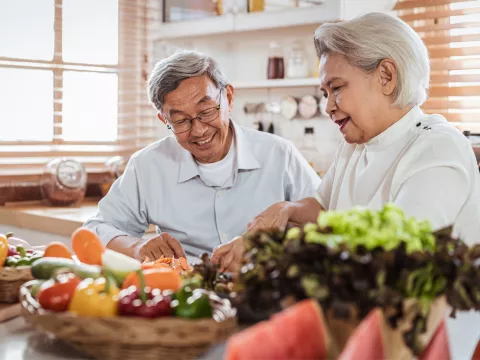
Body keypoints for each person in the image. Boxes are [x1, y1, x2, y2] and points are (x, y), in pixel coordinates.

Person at [213, 12, 480, 267]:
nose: (328, 107)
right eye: (325, 93)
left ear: (386, 76)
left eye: (337, 88)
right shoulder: (355, 145)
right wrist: (287, 210)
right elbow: (323, 210)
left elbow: (398, 258)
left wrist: (277, 260)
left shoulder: (437, 147)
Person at [83, 50, 320, 265]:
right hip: (185, 298)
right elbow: (95, 229)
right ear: (164, 120)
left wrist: (275, 233)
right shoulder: (148, 165)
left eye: (206, 111)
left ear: (228, 97)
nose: (198, 131)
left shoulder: (279, 154)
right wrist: (136, 247)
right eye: (180, 121)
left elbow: (328, 219)